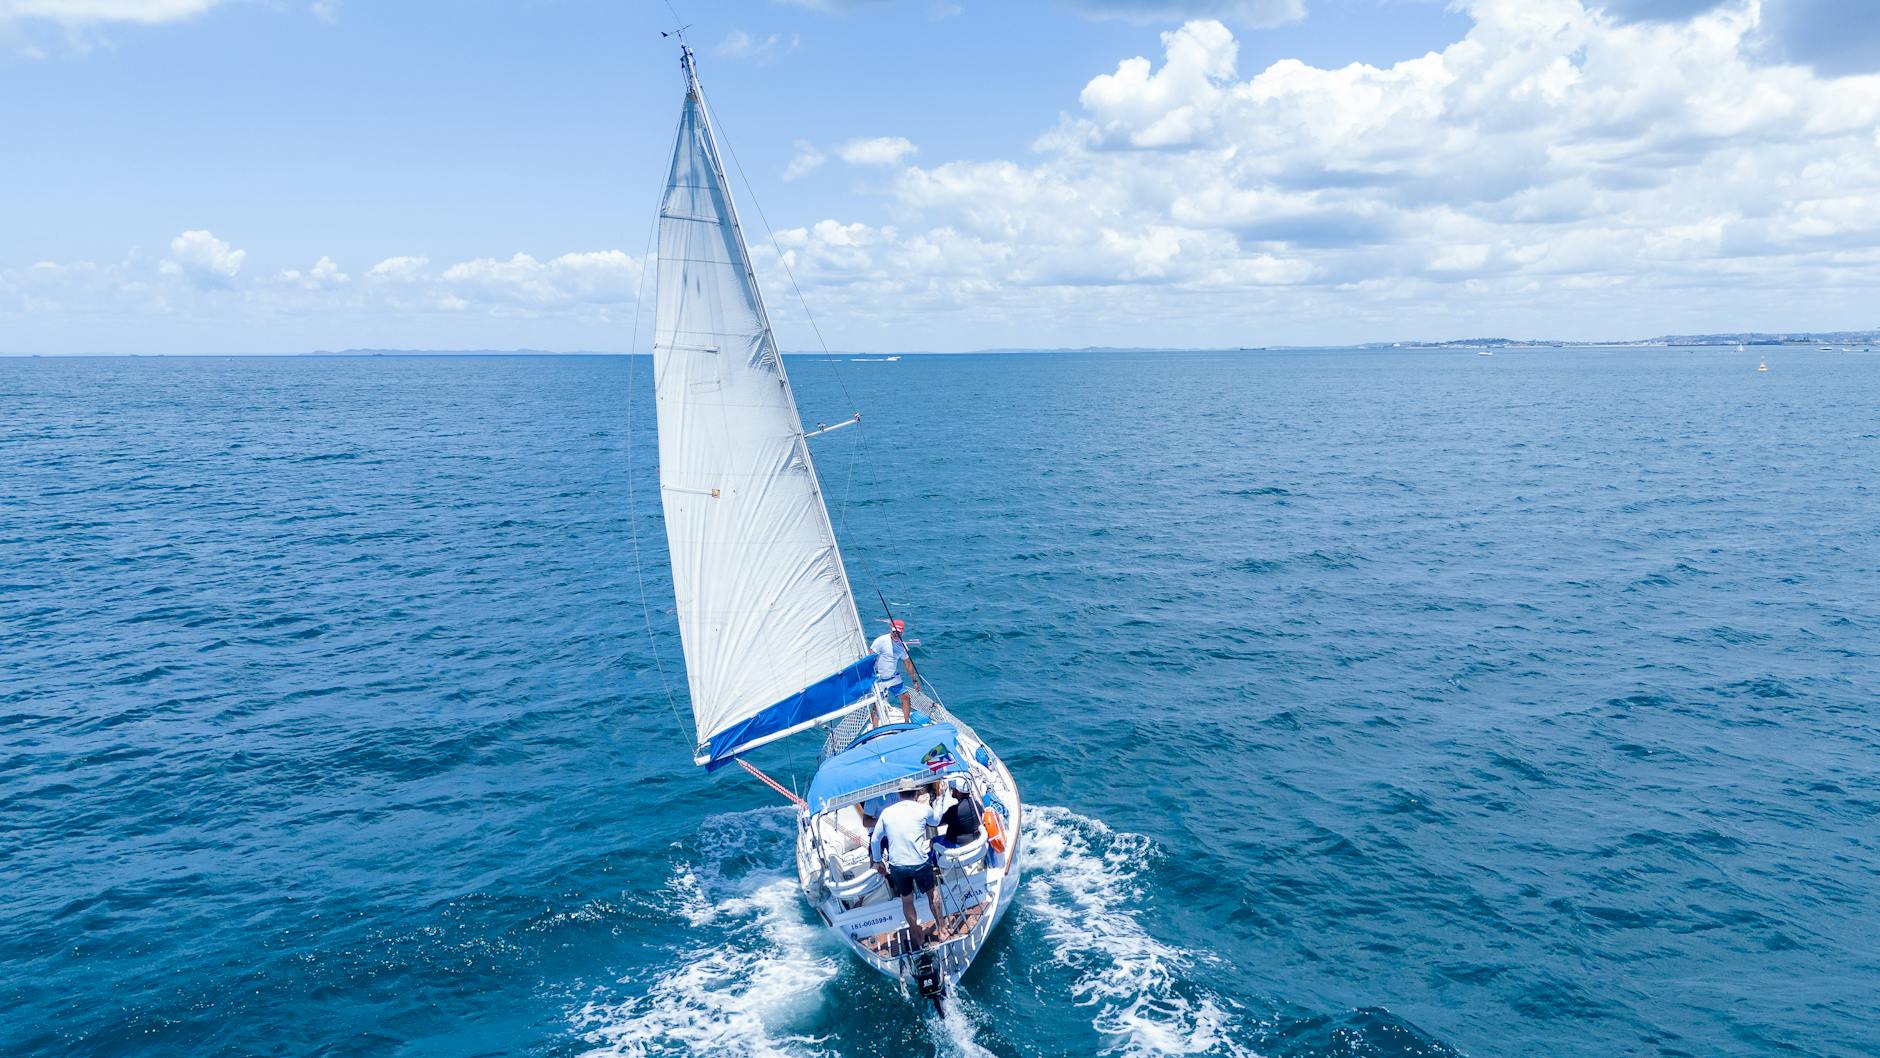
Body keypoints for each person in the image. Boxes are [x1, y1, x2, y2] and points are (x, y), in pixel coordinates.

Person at [870, 786, 948, 947]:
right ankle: (941, 930)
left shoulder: (887, 813)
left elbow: (875, 841)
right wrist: (939, 800)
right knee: (932, 894)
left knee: (907, 900)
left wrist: (878, 861)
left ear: (899, 794)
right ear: (917, 793)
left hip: (897, 866)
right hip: (920, 863)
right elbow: (936, 821)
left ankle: (916, 934)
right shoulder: (923, 809)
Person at [870, 618, 918, 723]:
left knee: (906, 697)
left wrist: (914, 681)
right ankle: (875, 729)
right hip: (879, 679)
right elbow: (869, 656)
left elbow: (908, 663)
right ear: (890, 630)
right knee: (876, 705)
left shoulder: (902, 646)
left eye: (898, 632)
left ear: (902, 632)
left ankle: (906, 723)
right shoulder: (881, 641)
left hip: (893, 677)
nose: (896, 634)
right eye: (894, 631)